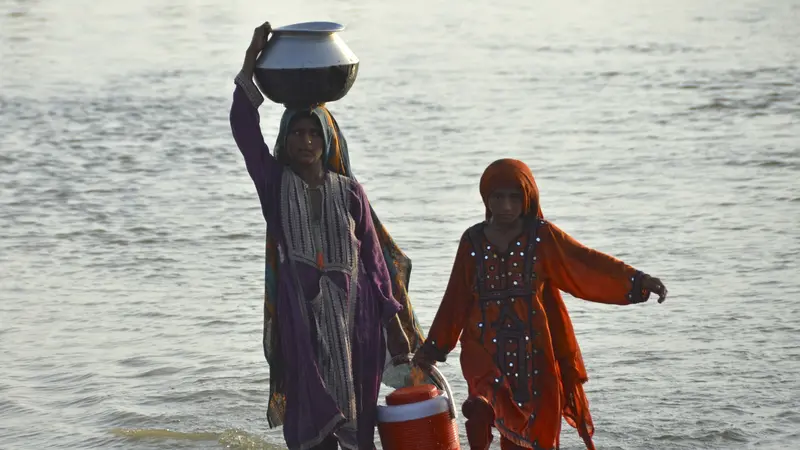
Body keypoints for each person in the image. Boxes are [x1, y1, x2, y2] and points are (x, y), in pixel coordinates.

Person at [230, 22, 425, 450]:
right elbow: (244, 131)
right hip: (301, 317)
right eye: (297, 132)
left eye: (314, 132)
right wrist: (250, 62)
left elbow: (374, 263)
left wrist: (394, 324)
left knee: (359, 419)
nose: (305, 140)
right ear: (285, 139)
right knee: (309, 419)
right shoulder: (275, 184)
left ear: (327, 138)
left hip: (357, 317)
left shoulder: (351, 193)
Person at [412, 159, 668, 450]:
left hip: (533, 351)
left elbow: (586, 264)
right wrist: (433, 348)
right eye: (498, 197)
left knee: (533, 426)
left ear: (527, 198)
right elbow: (456, 298)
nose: (506, 206)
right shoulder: (472, 241)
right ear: (486, 198)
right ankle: (479, 416)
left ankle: (485, 418)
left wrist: (637, 280)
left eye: (514, 197)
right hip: (483, 346)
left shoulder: (542, 236)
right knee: (486, 401)